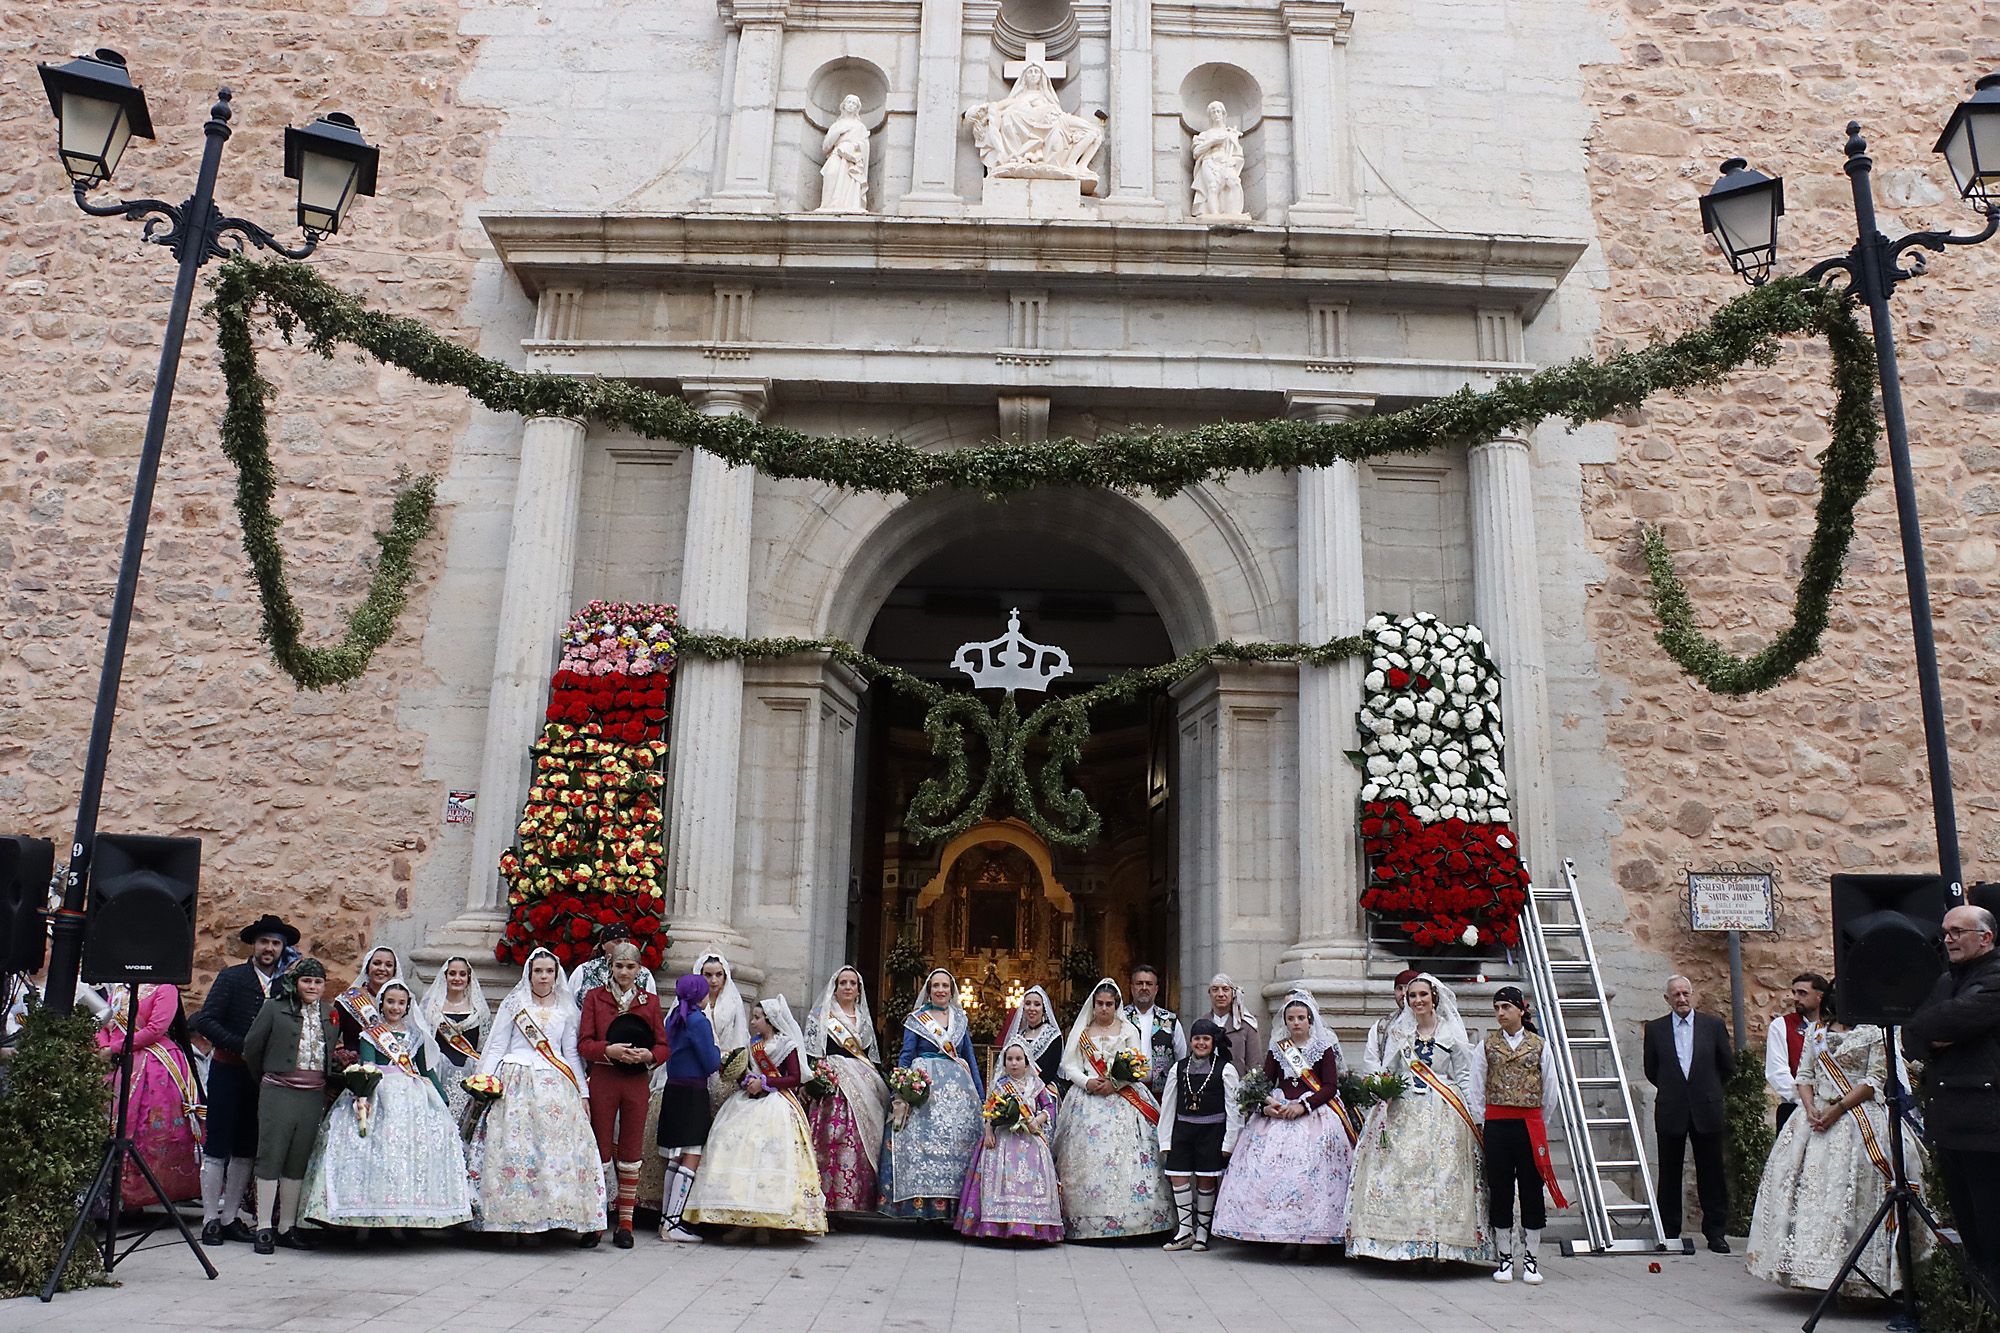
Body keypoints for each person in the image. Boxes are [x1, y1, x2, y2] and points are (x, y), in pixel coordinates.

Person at [1748, 986, 1931, 1296]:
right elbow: (1804, 1075)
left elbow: (1874, 1080)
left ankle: (1860, 1277)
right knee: (1807, 1193)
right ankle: (1812, 1272)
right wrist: (1809, 1108)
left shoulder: (1875, 1032)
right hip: (1814, 1117)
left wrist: (1838, 1109)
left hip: (1859, 1117)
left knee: (1857, 1191)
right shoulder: (1817, 1033)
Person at [301, 978, 473, 1232]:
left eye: (401, 1003)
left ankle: (406, 1217)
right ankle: (365, 1218)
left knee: (409, 1155)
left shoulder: (416, 1037)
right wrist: (363, 1089)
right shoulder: (371, 1036)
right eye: (390, 1002)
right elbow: (368, 1067)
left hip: (415, 1097)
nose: (395, 1007)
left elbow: (425, 1070)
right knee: (374, 1151)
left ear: (407, 1007)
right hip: (380, 1095)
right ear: (381, 1004)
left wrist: (441, 1097)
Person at [1346, 973, 1492, 1265]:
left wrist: (1477, 1117)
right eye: (1412, 996)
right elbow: (1389, 1069)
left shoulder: (1451, 1033)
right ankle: (1405, 1244)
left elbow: (1464, 1075)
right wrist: (1382, 1091)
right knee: (1401, 1175)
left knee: (1442, 1177)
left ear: (1434, 997)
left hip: (1444, 1111)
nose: (1417, 1001)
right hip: (1405, 1107)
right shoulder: (1400, 1034)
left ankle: (1441, 1247)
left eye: (1423, 995)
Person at [1902, 904, 2000, 1300]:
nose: (1948, 939)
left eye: (1958, 932)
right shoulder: (1946, 980)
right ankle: (1981, 1308)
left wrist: (1940, 1029)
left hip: (1988, 1126)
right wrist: (1936, 1031)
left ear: (1985, 938)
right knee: (1971, 1232)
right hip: (1950, 1125)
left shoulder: (1995, 977)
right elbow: (1914, 1032)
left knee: (1993, 1230)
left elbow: (1954, 1019)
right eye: (1945, 932)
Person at [473, 947, 606, 1239]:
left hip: (556, 1085)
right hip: (516, 1080)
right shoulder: (515, 1004)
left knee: (556, 1152)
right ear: (529, 974)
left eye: (549, 971)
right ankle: (511, 1216)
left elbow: (570, 1054)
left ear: (556, 974)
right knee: (514, 1148)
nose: (544, 977)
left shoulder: (567, 1008)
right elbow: (497, 1045)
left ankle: (555, 1214)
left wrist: (583, 1094)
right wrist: (483, 1080)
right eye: (538, 971)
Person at [189, 913, 299, 1245]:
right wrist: (241, 1046)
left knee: (246, 1147)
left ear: (282, 949)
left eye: (276, 943)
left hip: (264, 1078)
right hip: (228, 1069)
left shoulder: (285, 986)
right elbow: (204, 1019)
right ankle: (210, 1218)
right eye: (264, 941)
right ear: (254, 944)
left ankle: (230, 1216)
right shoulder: (232, 977)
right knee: (217, 1143)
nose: (269, 948)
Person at [1213, 993, 1354, 1252]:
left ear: (1310, 1020)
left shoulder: (1322, 1049)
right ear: (1285, 1022)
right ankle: (1280, 1234)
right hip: (1280, 1110)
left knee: (1308, 1171)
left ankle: (1309, 1238)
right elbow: (1266, 1080)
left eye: (1301, 1018)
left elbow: (1331, 1086)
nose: (1296, 1023)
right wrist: (1268, 1103)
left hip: (1314, 1113)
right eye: (1291, 1018)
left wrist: (1304, 1105)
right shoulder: (1279, 1049)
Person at [684, 995, 828, 1239]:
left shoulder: (787, 1045)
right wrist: (744, 1079)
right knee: (731, 1145)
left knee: (770, 1156)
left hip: (777, 1105)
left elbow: (793, 1078)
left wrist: (765, 1082)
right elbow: (747, 1071)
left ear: (771, 1021)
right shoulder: (754, 1044)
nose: (753, 1022)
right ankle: (742, 1221)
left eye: (758, 1018)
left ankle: (768, 1224)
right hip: (747, 1103)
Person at [1055, 977, 1174, 1240]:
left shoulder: (1129, 1029)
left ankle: (1136, 1224)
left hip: (1125, 1097)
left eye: (1109, 1004)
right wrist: (1086, 1081)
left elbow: (1140, 1062)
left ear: (1117, 1005)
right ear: (1093, 1004)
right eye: (1100, 1003)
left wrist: (1117, 1082)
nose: (1104, 1008)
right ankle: (1085, 1223)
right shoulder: (1082, 1032)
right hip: (1087, 1100)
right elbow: (1069, 1065)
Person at [1467, 986, 1568, 1284]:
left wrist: (1539, 1119)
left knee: (1531, 1189)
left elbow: (1551, 1087)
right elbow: (1476, 1085)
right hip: (1498, 1125)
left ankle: (1532, 1258)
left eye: (1506, 1007)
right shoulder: (1486, 1046)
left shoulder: (1539, 1045)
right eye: (1497, 1007)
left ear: (1521, 1010)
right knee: (1500, 1189)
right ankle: (1505, 1257)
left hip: (1528, 1125)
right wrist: (1482, 1121)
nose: (1500, 1013)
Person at [241, 956, 337, 1255]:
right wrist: (270, 1079)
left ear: (323, 986)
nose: (312, 986)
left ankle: (287, 1226)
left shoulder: (328, 1013)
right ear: (296, 983)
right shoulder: (274, 1007)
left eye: (317, 982)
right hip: (279, 1090)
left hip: (312, 1094)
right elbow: (252, 1049)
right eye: (306, 981)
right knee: (271, 1154)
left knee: (298, 1159)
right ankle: (264, 1227)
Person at [579, 940, 669, 1248]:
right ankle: (598, 1220)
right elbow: (584, 1042)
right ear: (610, 966)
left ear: (639, 969)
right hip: (604, 1078)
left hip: (635, 1082)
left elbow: (663, 1045)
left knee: (631, 1151)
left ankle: (626, 1223)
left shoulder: (650, 1002)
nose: (624, 972)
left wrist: (647, 1056)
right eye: (619, 965)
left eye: (630, 966)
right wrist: (608, 1050)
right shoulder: (595, 998)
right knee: (601, 1148)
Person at [877, 967, 983, 1221]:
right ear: (928, 990)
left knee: (956, 1144)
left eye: (945, 986)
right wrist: (899, 1090)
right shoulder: (917, 1019)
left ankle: (950, 1208)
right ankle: (921, 1208)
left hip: (958, 1090)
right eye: (936, 986)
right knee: (921, 1143)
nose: (940, 990)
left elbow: (969, 1057)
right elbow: (906, 1053)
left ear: (951, 990)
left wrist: (981, 1096)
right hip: (924, 1086)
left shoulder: (960, 1019)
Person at [1643, 974, 1736, 1253]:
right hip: (1672, 1107)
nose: (1681, 999)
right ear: (1667, 999)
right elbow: (1652, 1069)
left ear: (1692, 994)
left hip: (1706, 1107)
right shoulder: (1657, 1029)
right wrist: (1676, 1089)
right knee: (1669, 1172)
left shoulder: (1713, 1025)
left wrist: (1705, 1090)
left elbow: (1727, 1066)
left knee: (1712, 1171)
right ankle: (1669, 1231)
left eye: (1685, 993)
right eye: (1676, 995)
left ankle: (1716, 1232)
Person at [94, 982, 203, 1208]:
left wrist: (115, 1048)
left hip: (151, 1063)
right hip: (113, 1064)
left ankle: (136, 1195)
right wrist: (103, 1048)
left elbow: (155, 1028)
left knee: (145, 1128)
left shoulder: (165, 989)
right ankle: (105, 1196)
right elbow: (103, 1023)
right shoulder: (119, 989)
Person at [803, 964, 892, 1214]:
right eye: (844, 983)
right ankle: (824, 1202)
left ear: (859, 989)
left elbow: (869, 1055)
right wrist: (816, 1079)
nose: (848, 987)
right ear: (835, 986)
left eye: (853, 983)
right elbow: (812, 1052)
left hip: (862, 1083)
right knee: (831, 1139)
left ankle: (853, 1201)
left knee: (859, 1142)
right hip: (834, 1084)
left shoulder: (863, 1017)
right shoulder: (822, 1014)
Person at [955, 1037, 1063, 1242]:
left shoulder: (1036, 1084)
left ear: (1027, 1061)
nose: (1014, 1063)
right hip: (1002, 1140)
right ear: (1004, 1063)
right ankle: (997, 1224)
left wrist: (1037, 1120)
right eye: (1010, 1059)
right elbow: (989, 1110)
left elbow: (1048, 1107)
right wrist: (988, 1132)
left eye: (1018, 1059)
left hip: (1030, 1140)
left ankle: (1032, 1225)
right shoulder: (1001, 1086)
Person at [1158, 1016, 1244, 1251]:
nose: (1201, 1043)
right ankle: (1185, 1230)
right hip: (1183, 1131)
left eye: (1206, 1039)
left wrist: (1229, 1142)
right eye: (1197, 1039)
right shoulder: (1180, 1067)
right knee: (1178, 1175)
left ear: (1213, 1042)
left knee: (1206, 1179)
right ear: (1191, 1041)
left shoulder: (1225, 1070)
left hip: (1212, 1131)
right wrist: (1165, 1138)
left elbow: (1234, 1109)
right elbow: (1168, 1104)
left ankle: (1203, 1233)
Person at [657, 972, 723, 1243]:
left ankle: (665, 1218)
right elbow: (710, 1062)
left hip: (673, 1089)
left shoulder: (675, 1019)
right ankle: (673, 1223)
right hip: (693, 1092)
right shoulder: (698, 1021)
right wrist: (721, 1055)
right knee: (692, 1153)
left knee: (676, 1154)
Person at [420, 954, 491, 1128]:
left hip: (470, 1075)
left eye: (462, 974)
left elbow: (483, 1045)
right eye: (452, 973)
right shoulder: (432, 1009)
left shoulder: (479, 1010)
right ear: (445, 977)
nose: (457, 978)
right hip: (438, 1072)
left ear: (468, 978)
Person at [1765, 973, 1827, 1132]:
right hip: (1795, 1107)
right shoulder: (1781, 1025)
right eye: (1794, 993)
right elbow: (1777, 1072)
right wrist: (1807, 1103)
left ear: (1820, 997)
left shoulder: (1834, 1027)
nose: (1796, 998)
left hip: (1831, 1109)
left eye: (1802, 993)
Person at [1125, 963, 1186, 1101]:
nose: (1144, 988)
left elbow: (1181, 1059)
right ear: (1132, 987)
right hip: (1128, 1092)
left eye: (1149, 984)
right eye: (1139, 983)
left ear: (1156, 989)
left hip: (1162, 1094)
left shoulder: (1170, 1020)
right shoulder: (1121, 1018)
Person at [332, 943, 403, 1061]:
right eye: (376, 963)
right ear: (367, 966)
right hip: (356, 1070)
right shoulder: (347, 1001)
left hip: (393, 1070)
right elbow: (331, 1039)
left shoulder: (402, 1002)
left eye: (389, 965)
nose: (382, 968)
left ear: (394, 970)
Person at [569, 922, 658, 1006]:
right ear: (603, 945)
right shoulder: (584, 970)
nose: (623, 945)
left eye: (626, 941)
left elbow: (651, 1007)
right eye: (617, 941)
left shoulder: (643, 973)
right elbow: (570, 1006)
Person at [1000, 984, 1065, 1090]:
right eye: (1028, 1003)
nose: (1032, 1008)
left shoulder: (1054, 1036)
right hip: (1017, 1089)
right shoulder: (1018, 1036)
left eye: (1037, 1004)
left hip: (1044, 1092)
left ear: (1044, 1008)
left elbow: (1050, 1070)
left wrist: (1029, 1090)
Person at [1363, 969, 1419, 1076]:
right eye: (1399, 988)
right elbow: (1371, 1062)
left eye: (1408, 988)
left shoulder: (1436, 1025)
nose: (1403, 993)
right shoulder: (1381, 1026)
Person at [1200, 973, 1257, 1077]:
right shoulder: (1201, 1024)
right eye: (1215, 989)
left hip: (1237, 1086)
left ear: (1233, 993)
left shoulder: (1246, 1026)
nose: (1220, 994)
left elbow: (1255, 1064)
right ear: (1209, 994)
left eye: (1225, 989)